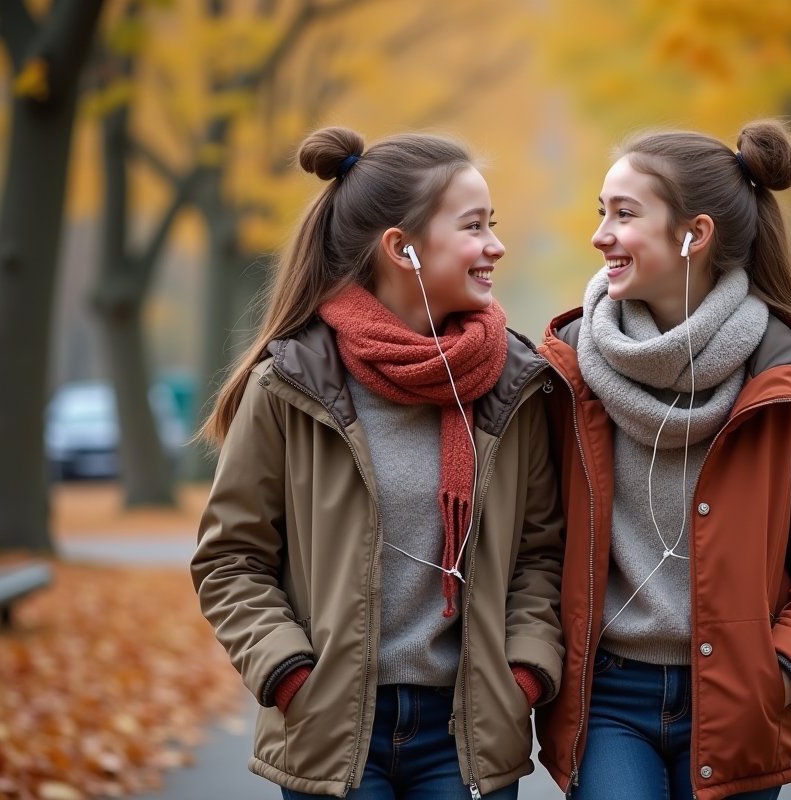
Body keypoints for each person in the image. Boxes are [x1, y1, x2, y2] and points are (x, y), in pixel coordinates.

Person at [191, 126, 564, 800]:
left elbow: (540, 554)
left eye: (494, 224)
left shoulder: (514, 384)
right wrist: (289, 674)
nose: (495, 245)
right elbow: (231, 559)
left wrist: (523, 674)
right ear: (402, 248)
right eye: (474, 226)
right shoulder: (290, 385)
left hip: (466, 734)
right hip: (332, 729)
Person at [535, 120, 791, 800]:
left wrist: (785, 670)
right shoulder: (563, 376)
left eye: (624, 214)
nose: (601, 234)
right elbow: (533, 541)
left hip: (740, 701)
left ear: (695, 234)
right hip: (607, 699)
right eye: (602, 211)